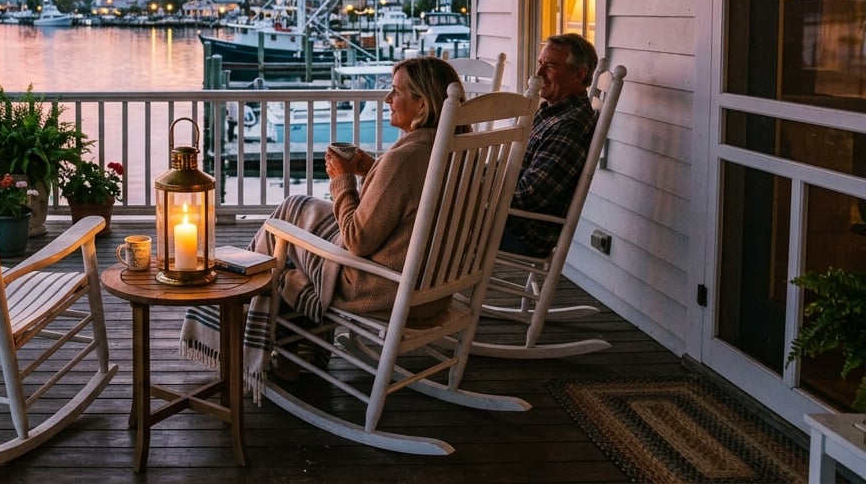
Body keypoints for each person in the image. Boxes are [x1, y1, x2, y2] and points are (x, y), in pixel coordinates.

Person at [179, 56, 466, 392]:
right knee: (296, 211)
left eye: (395, 91)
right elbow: (412, 203)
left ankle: (229, 332)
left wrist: (343, 180)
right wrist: (371, 169)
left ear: (422, 103)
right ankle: (297, 354)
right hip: (434, 291)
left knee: (282, 254)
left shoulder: (405, 160)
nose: (387, 99)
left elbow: (358, 239)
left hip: (380, 289)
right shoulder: (458, 149)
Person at [496, 33, 600, 258]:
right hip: (505, 217)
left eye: (550, 66)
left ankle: (429, 290)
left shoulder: (570, 124)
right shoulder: (552, 111)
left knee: (430, 219)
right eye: (540, 64)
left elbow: (529, 196)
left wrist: (474, 193)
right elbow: (510, 165)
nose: (539, 74)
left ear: (579, 75)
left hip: (523, 232)